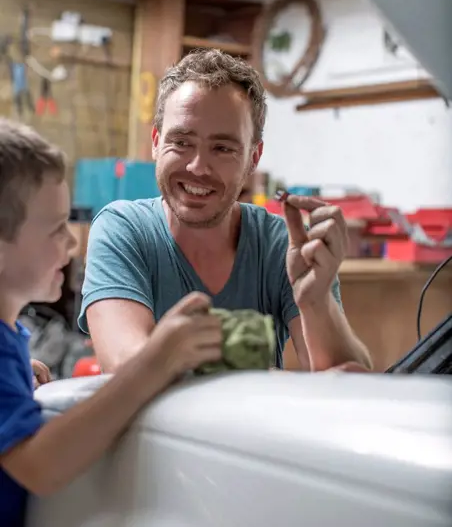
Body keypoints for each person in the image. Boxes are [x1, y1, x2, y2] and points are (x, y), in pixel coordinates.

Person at [80, 49, 371, 373]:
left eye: (222, 148)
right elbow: (126, 368)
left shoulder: (280, 243)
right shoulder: (123, 230)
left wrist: (316, 301)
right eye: (181, 142)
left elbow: (348, 383)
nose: (197, 167)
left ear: (253, 157)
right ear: (156, 141)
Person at [0, 118, 222, 527]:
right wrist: (153, 364)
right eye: (55, 229)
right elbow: (41, 466)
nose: (70, 242)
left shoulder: (10, 339)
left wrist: (14, 381)